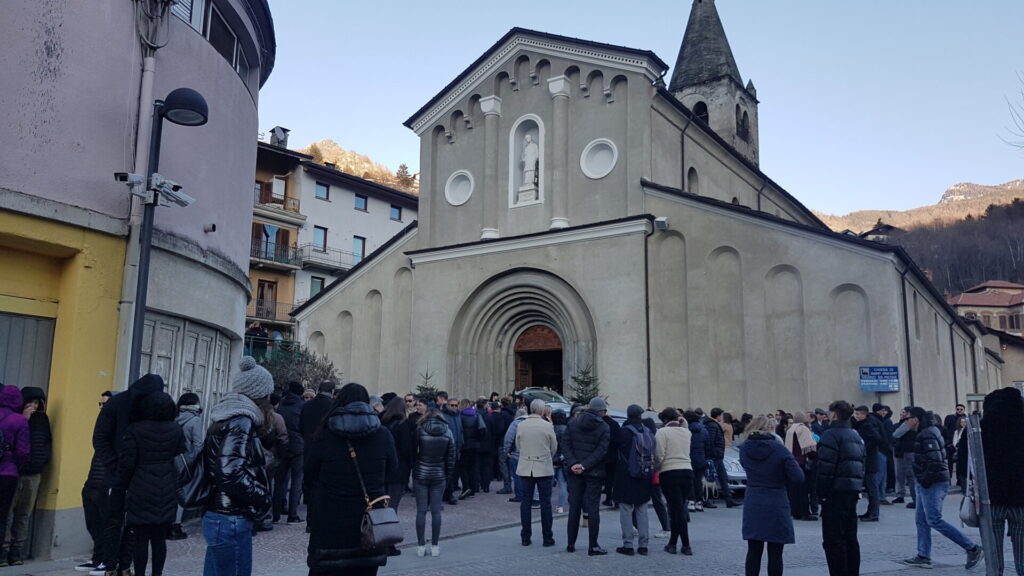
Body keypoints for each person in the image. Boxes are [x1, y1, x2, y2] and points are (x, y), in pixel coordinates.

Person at [305, 383, 397, 576]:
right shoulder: (382, 434)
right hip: (368, 519)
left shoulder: (325, 432)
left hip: (329, 518)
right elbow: (392, 470)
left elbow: (310, 471)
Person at [202, 357, 273, 576]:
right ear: (261, 394)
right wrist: (263, 495)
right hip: (231, 516)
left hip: (219, 514)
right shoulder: (241, 421)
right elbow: (229, 472)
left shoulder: (224, 417)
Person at [92, 374, 165, 576]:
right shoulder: (117, 403)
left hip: (141, 474)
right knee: (114, 521)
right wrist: (114, 466)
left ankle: (125, 565)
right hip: (117, 472)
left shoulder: (151, 405)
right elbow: (100, 438)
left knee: (134, 524)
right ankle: (110, 566)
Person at [900, 406, 983, 570]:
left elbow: (936, 460)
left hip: (933, 482)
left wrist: (924, 479)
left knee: (934, 520)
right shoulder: (925, 432)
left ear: (915, 419)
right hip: (927, 481)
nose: (904, 421)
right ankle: (923, 555)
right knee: (921, 520)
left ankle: (972, 548)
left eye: (906, 418)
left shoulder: (927, 434)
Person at [118, 391, 185, 576]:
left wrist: (120, 488)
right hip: (167, 487)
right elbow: (179, 454)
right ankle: (157, 574)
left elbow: (127, 464)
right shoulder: (176, 429)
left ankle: (139, 573)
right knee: (159, 538)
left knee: (140, 538)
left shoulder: (135, 429)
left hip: (140, 487)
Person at [740, 415, 804, 576]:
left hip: (753, 500)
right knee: (775, 552)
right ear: (771, 430)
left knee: (753, 550)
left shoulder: (744, 449)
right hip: (776, 501)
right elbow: (798, 477)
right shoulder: (779, 449)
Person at [816, 400, 865, 576]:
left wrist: (821, 494)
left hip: (835, 493)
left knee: (833, 541)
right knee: (851, 538)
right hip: (852, 490)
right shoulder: (855, 435)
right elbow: (861, 463)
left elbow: (825, 469)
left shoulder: (830, 435)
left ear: (834, 415)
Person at [2, 387, 49, 566]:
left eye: (37, 403)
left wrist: (44, 460)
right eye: (30, 402)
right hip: (15, 473)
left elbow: (47, 443)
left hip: (34, 474)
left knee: (24, 514)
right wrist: (25, 419)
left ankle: (17, 552)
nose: (33, 406)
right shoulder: (16, 418)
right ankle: (4, 550)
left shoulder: (43, 420)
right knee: (7, 513)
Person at [982, 387, 1024, 576]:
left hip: (991, 500)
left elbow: (967, 462)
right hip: (1021, 501)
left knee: (993, 557)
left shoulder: (980, 429)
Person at [562, 397, 610, 555]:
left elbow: (566, 445)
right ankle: (593, 546)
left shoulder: (573, 422)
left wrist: (573, 464)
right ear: (601, 411)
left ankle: (570, 544)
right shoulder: (603, 427)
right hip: (593, 472)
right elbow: (601, 451)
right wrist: (584, 466)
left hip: (574, 472)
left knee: (574, 507)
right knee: (593, 509)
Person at [412, 409, 456, 557]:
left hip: (421, 473)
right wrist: (447, 476)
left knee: (421, 511)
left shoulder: (420, 429)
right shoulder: (448, 431)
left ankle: (421, 545)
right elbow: (451, 457)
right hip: (439, 474)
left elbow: (413, 452)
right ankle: (435, 545)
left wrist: (415, 469)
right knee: (436, 511)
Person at [515, 399, 557, 547]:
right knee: (545, 503)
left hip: (526, 465)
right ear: (541, 410)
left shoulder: (521, 425)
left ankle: (525, 536)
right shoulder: (547, 426)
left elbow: (518, 445)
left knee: (525, 502)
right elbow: (554, 447)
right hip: (543, 466)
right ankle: (547, 537)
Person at [614, 405, 654, 556]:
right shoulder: (648, 431)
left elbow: (616, 448)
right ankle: (643, 545)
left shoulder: (624, 432)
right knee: (642, 509)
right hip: (644, 474)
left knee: (626, 509)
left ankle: (628, 544)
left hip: (627, 474)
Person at [655, 407, 693, 556]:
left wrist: (657, 468)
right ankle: (672, 543)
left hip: (669, 472)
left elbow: (659, 455)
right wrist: (683, 421)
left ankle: (686, 545)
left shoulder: (662, 432)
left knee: (677, 510)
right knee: (678, 508)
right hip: (687, 471)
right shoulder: (686, 432)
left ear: (664, 420)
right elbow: (685, 427)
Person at [380, 396, 415, 553]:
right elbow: (408, 450)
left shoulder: (382, 421)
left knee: (381, 505)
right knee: (392, 506)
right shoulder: (403, 424)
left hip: (382, 469)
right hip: (398, 469)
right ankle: (388, 542)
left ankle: (378, 537)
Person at [170, 393, 203, 541]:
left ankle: (168, 524)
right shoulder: (195, 420)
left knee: (170, 493)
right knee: (182, 493)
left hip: (170, 459)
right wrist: (194, 461)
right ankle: (176, 526)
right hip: (185, 462)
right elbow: (198, 444)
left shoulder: (173, 416)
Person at [273, 382, 305, 525]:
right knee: (297, 479)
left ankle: (275, 513)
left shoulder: (281, 406)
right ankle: (292, 515)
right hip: (298, 445)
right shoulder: (302, 406)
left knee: (280, 480)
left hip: (282, 444)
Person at [784, 412, 817, 520]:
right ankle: (804, 512)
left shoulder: (790, 429)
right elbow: (809, 446)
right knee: (804, 490)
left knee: (794, 490)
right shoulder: (803, 429)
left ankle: (795, 511)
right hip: (802, 462)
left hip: (792, 462)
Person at [852, 405, 881, 522]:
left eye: (858, 414)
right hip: (869, 460)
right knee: (870, 488)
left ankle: (874, 513)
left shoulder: (867, 425)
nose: (856, 416)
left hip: (870, 461)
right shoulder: (864, 424)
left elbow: (876, 438)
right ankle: (870, 512)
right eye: (855, 414)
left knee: (872, 488)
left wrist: (865, 449)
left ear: (864, 414)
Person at [706, 408, 739, 508]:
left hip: (719, 457)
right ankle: (707, 499)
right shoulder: (712, 425)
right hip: (716, 457)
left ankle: (729, 500)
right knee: (710, 478)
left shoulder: (713, 424)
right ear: (718, 416)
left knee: (723, 478)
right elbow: (711, 441)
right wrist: (714, 453)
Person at [457, 398, 485, 499]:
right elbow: (483, 429)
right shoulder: (477, 415)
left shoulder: (460, 416)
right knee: (473, 467)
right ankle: (473, 488)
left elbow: (459, 430)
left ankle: (466, 487)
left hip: (465, 445)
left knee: (463, 467)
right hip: (476, 445)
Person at [892, 406, 917, 509]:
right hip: (901, 451)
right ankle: (900, 495)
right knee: (900, 475)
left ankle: (915, 498)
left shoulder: (910, 422)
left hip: (909, 451)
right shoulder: (902, 423)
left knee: (911, 476)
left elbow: (896, 434)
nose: (902, 414)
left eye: (904, 412)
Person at [685, 411, 709, 512]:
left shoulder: (685, 430)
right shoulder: (704, 430)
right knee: (698, 481)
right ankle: (699, 502)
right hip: (701, 458)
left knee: (690, 481)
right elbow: (708, 446)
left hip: (689, 458)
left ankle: (691, 501)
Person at [503, 409, 528, 503]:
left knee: (517, 475)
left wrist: (506, 451)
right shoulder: (530, 423)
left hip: (516, 453)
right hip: (529, 453)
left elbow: (509, 438)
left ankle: (519, 495)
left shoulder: (515, 424)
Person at [551, 410, 569, 514]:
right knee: (563, 484)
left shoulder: (550, 429)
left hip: (552, 459)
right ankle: (560, 506)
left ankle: (547, 504)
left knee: (549, 484)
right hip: (563, 460)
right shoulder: (567, 430)